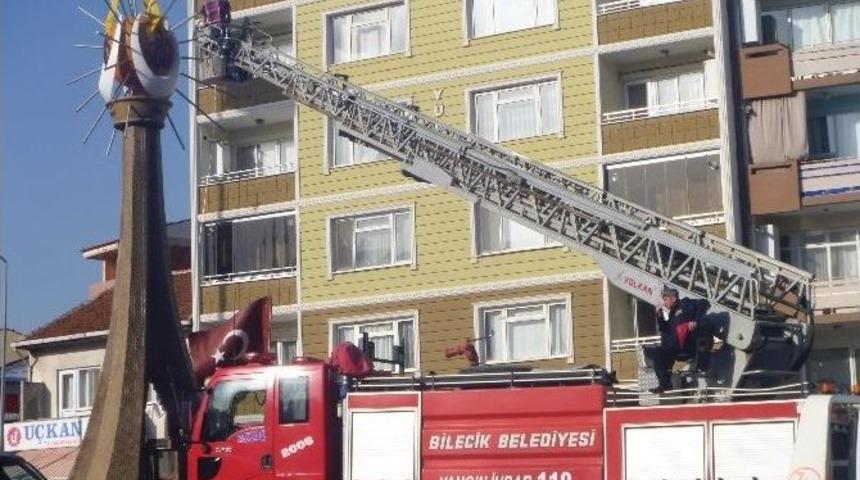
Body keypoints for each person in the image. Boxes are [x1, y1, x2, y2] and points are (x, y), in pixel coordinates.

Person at [645, 287, 710, 393]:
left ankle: (665, 382)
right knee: (653, 352)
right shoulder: (672, 313)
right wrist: (659, 316)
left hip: (685, 347)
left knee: (657, 352)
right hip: (673, 347)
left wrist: (695, 321)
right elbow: (664, 329)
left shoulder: (685, 304)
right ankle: (665, 381)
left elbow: (704, 303)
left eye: (666, 299)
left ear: (673, 299)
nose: (664, 303)